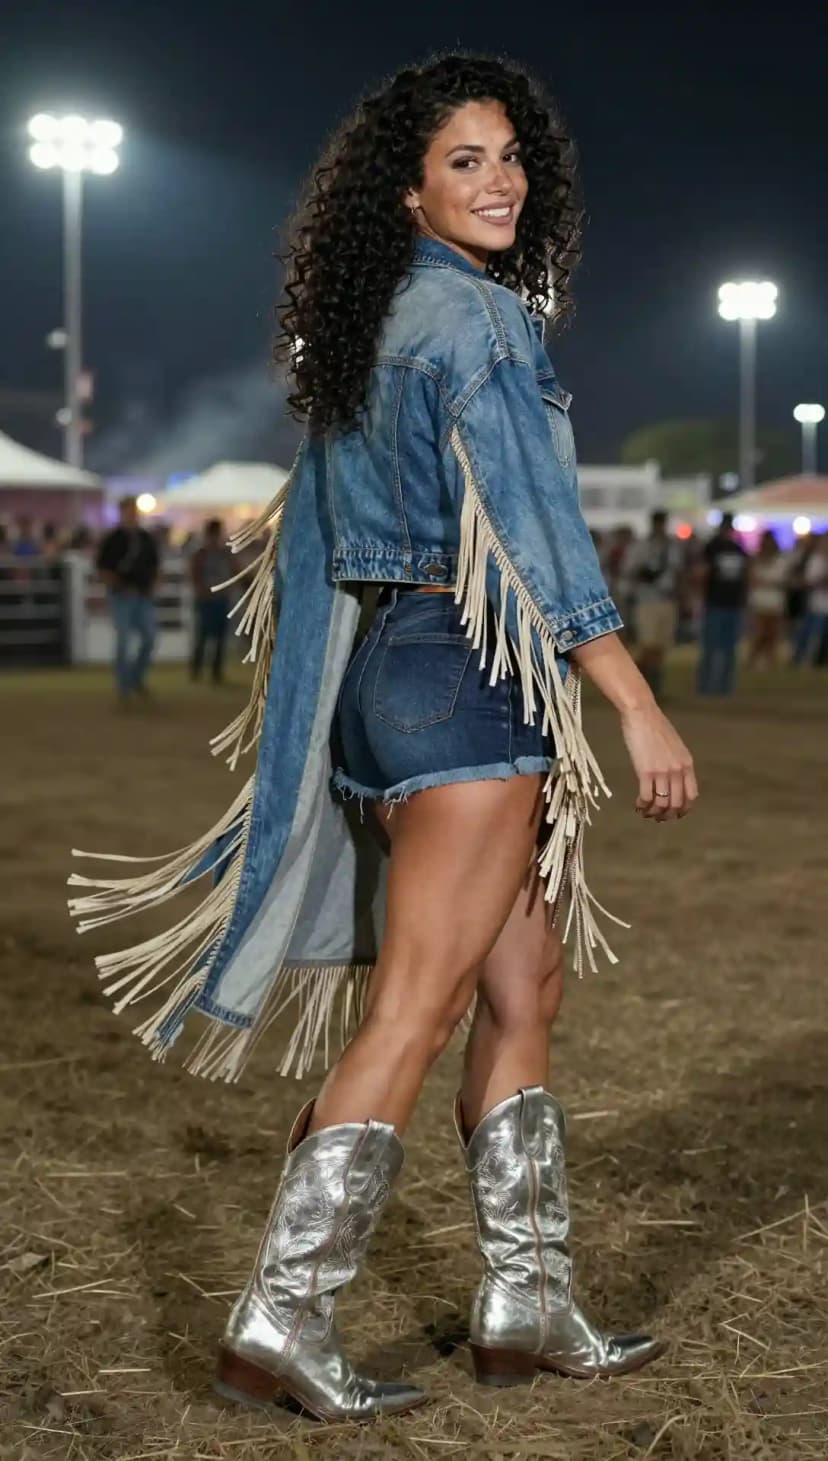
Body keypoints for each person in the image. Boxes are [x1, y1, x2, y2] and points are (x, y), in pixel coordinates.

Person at [71, 57, 698, 1423]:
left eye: (510, 156)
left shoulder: (374, 317)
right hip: (465, 675)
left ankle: (525, 1304)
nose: (500, 180)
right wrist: (633, 697)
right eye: (464, 161)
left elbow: (322, 531)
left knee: (523, 992)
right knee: (416, 1008)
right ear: (409, 189)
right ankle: (280, 1317)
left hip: (404, 673)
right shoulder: (471, 321)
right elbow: (536, 531)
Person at [95, 496, 159, 701]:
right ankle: (125, 685)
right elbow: (103, 569)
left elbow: (156, 565)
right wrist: (118, 586)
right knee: (123, 641)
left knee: (149, 638)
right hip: (122, 596)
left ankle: (134, 679)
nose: (133, 515)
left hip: (142, 595)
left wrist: (152, 587)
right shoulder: (113, 539)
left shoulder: (145, 538)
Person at [622, 510, 684, 699]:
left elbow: (678, 572)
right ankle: (638, 685)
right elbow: (629, 571)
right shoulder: (641, 547)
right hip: (647, 600)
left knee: (660, 647)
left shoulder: (672, 547)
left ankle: (655, 689)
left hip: (667, 600)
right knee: (648, 646)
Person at [697, 512, 749, 695]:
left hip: (732, 604)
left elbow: (745, 577)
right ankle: (706, 685)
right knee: (712, 647)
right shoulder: (712, 548)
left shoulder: (738, 549)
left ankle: (725, 687)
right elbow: (703, 574)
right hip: (716, 603)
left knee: (729, 649)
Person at [190, 518, 235, 683]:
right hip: (208, 599)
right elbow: (195, 575)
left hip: (218, 598)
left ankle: (212, 671)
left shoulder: (221, 553)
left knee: (217, 636)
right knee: (204, 636)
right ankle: (200, 670)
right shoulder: (202, 554)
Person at [746, 529, 788, 668]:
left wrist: (768, 582)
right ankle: (753, 659)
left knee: (772, 634)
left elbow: (783, 581)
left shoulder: (780, 560)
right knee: (760, 633)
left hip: (775, 602)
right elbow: (753, 579)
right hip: (760, 601)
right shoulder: (756, 559)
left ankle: (770, 660)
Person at [793, 532, 828, 665]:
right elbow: (807, 581)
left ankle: (819, 662)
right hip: (814, 604)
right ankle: (799, 659)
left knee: (823, 637)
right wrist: (821, 580)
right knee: (806, 634)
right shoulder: (815, 560)